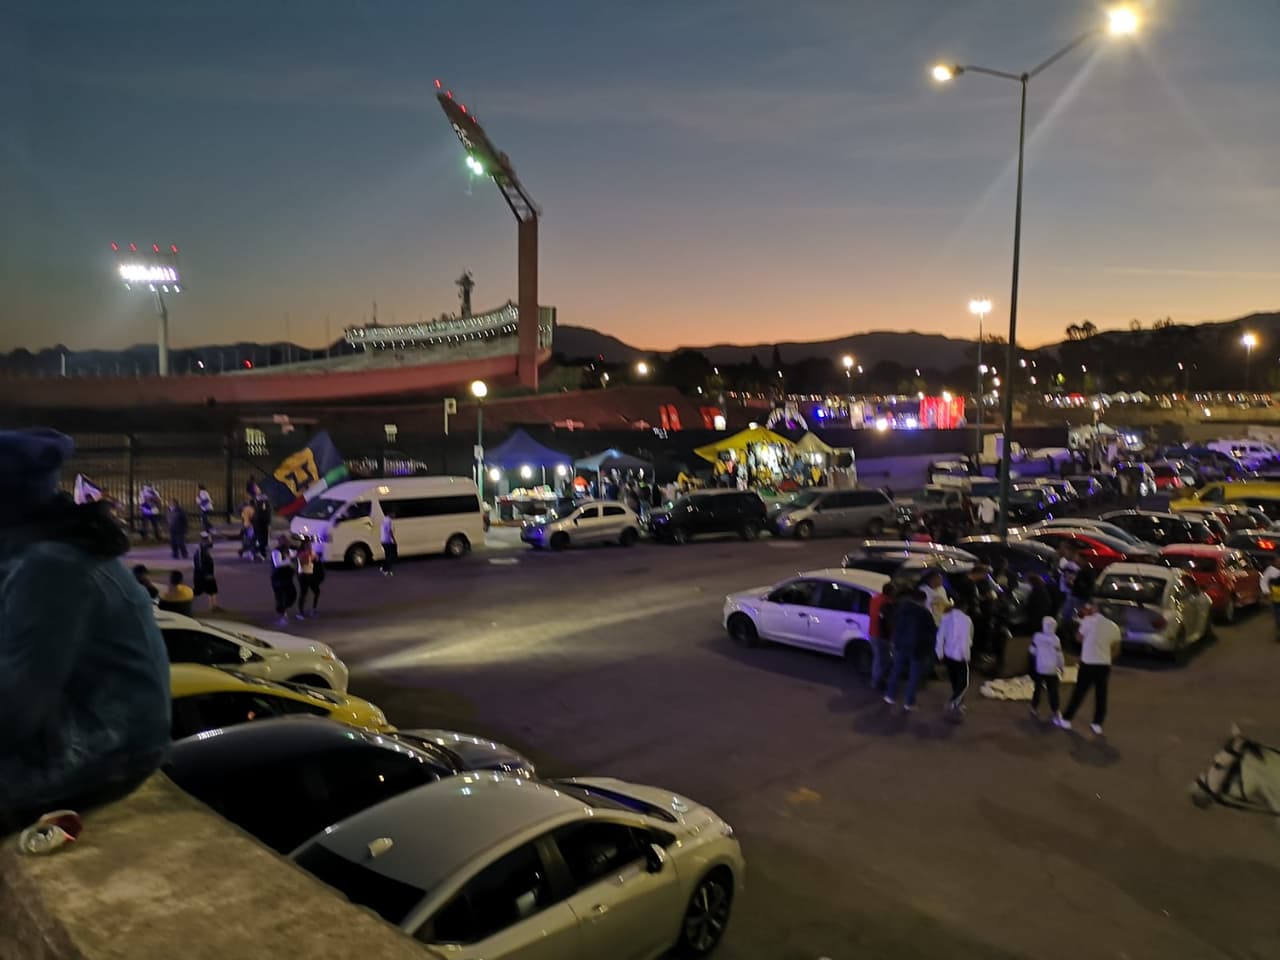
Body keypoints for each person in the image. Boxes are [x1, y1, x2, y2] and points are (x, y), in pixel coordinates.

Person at [0, 429, 170, 833]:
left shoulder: (49, 566)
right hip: (90, 733)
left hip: (104, 748)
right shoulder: (38, 551)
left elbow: (14, 711)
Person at [1058, 603, 1121, 735]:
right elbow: (1116, 648)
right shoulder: (1114, 626)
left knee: (1079, 691)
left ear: (1096, 610)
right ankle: (1097, 723)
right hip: (1104, 664)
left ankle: (1067, 719)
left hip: (1088, 662)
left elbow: (1079, 638)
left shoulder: (1088, 621)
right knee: (1101, 694)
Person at [883, 589, 937, 711]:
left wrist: (895, 641)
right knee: (914, 676)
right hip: (917, 649)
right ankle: (909, 702)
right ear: (923, 600)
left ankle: (889, 695)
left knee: (896, 670)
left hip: (901, 646)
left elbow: (896, 625)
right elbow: (931, 632)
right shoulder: (925, 614)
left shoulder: (902, 609)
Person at [936, 598, 974, 715]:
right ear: (964, 607)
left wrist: (940, 653)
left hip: (948, 654)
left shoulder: (946, 617)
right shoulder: (966, 620)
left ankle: (958, 704)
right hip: (960, 655)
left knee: (954, 680)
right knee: (964, 683)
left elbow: (940, 637)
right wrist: (966, 655)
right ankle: (953, 701)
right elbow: (965, 640)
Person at [1028, 616, 1065, 723]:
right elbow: (1059, 655)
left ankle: (1034, 707)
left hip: (1040, 667)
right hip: (1052, 669)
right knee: (1053, 690)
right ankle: (1056, 710)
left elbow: (1032, 651)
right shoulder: (1056, 640)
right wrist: (1061, 667)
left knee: (1038, 689)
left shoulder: (1037, 637)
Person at [868, 585, 897, 691]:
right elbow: (885, 620)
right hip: (881, 635)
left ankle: (877, 680)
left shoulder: (875, 598)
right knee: (881, 659)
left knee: (880, 659)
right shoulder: (886, 603)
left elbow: (873, 615)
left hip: (873, 633)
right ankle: (876, 681)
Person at [269, 535, 296, 625]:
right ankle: (282, 615)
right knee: (280, 597)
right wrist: (289, 560)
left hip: (287, 577)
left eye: (287, 541)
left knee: (292, 594)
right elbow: (278, 564)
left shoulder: (289, 551)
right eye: (285, 542)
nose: (287, 543)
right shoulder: (276, 552)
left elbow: (294, 556)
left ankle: (283, 610)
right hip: (278, 578)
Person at [192, 531, 219, 611]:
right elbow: (209, 545)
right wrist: (207, 574)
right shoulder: (202, 550)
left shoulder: (200, 550)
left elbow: (210, 545)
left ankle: (213, 606)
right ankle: (213, 606)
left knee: (210, 590)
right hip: (205, 574)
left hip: (202, 574)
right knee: (205, 590)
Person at [296, 538, 318, 619]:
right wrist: (310, 556)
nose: (310, 546)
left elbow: (316, 559)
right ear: (304, 545)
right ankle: (300, 612)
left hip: (310, 574)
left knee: (316, 591)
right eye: (308, 545)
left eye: (310, 544)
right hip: (303, 575)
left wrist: (314, 556)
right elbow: (305, 562)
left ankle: (314, 609)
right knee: (303, 594)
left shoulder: (311, 552)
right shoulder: (301, 553)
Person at [1262, 553, 1280, 639]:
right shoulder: (1270, 570)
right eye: (1277, 561)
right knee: (1278, 616)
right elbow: (1264, 581)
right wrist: (1266, 591)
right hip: (1276, 599)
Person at [381, 510, 397, 576]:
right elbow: (389, 531)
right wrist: (394, 540)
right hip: (387, 541)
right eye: (394, 513)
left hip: (383, 540)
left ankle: (386, 569)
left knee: (387, 556)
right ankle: (386, 569)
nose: (395, 515)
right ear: (390, 513)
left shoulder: (384, 519)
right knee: (391, 556)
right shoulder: (388, 520)